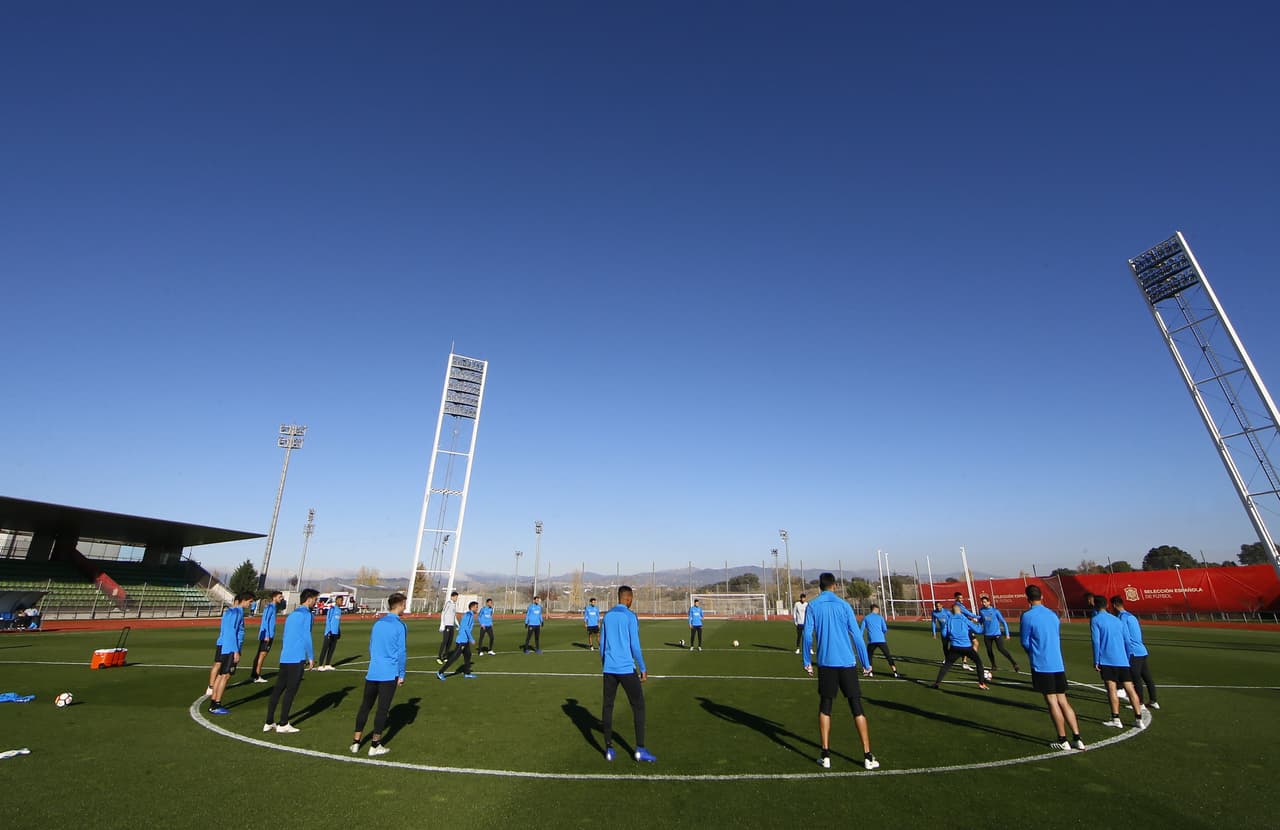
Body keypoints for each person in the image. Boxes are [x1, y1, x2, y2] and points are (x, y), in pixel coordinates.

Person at [802, 572, 878, 770]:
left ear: (819, 587)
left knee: (825, 706)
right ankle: (868, 756)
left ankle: (825, 754)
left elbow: (807, 635)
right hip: (847, 663)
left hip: (826, 663)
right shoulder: (844, 606)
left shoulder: (813, 606)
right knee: (856, 706)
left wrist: (807, 661)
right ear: (834, 586)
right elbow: (858, 636)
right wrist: (866, 663)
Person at [1020, 585, 1085, 751]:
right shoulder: (1053, 615)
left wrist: (1033, 652)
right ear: (1041, 596)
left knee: (1051, 701)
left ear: (1027, 598)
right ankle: (1077, 737)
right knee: (1063, 699)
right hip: (1057, 663)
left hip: (1042, 664)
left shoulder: (1027, 616)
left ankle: (1062, 739)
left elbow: (1025, 641)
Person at [599, 585, 655, 763]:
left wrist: (605, 663)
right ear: (629, 598)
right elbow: (635, 646)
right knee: (638, 706)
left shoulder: (607, 616)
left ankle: (608, 748)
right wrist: (643, 667)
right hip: (625, 669)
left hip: (609, 669)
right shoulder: (630, 616)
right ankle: (640, 749)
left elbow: (602, 645)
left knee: (608, 706)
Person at [351, 593, 408, 756]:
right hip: (388, 674)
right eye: (404, 604)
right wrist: (401, 673)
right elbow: (401, 652)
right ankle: (375, 745)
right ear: (400, 604)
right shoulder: (400, 625)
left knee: (365, 707)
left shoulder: (378, 623)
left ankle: (356, 742)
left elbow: (371, 646)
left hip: (373, 672)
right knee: (382, 710)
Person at [265, 588, 318, 734]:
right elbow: (307, 636)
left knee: (278, 689)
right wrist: (311, 656)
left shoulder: (292, 614)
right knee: (291, 690)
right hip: (297, 657)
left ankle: (269, 721)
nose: (316, 602)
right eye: (315, 599)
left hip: (285, 656)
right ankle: (283, 723)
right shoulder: (307, 614)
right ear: (309, 599)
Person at [1089, 595, 1147, 729]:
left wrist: (1096, 660)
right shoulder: (1117, 620)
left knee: (1111, 689)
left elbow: (1096, 641)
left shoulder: (1096, 620)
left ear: (1095, 606)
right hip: (1122, 659)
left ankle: (1116, 718)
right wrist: (1127, 657)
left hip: (1107, 659)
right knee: (1130, 689)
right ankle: (1138, 718)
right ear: (1107, 605)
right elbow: (1127, 640)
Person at [208, 592, 254, 714]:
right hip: (230, 648)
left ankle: (214, 702)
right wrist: (235, 651)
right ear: (244, 600)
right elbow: (231, 632)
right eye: (250, 601)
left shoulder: (230, 611)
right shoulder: (237, 612)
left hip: (225, 646)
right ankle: (216, 704)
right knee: (225, 675)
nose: (251, 604)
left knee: (221, 674)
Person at [1111, 595, 1159, 710]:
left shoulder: (1122, 617)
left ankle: (1140, 703)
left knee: (1136, 678)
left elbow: (1126, 637)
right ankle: (1153, 700)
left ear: (1114, 606)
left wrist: (1126, 653)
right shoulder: (1131, 616)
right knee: (1147, 677)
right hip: (1141, 650)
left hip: (1133, 651)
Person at [930, 603, 988, 690]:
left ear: (952, 612)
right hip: (967, 647)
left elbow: (944, 634)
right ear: (960, 611)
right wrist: (980, 623)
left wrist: (951, 635)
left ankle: (937, 683)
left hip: (955, 647)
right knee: (979, 663)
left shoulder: (949, 620)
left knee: (947, 665)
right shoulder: (964, 619)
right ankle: (981, 683)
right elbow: (978, 630)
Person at [977, 596, 1020, 673]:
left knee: (1001, 649)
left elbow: (1003, 621)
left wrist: (1007, 634)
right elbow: (981, 620)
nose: (983, 603)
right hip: (987, 635)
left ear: (989, 602)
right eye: (982, 602)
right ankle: (993, 665)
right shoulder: (981, 611)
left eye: (984, 602)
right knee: (989, 651)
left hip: (996, 634)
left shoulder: (995, 611)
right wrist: (978, 624)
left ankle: (1014, 663)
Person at [437, 601, 479, 680]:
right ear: (472, 607)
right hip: (462, 641)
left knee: (468, 655)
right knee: (454, 658)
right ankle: (440, 672)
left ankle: (467, 673)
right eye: (476, 607)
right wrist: (471, 639)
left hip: (465, 641)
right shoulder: (468, 615)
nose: (477, 609)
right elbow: (466, 628)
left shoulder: (470, 615)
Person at [250, 590, 284, 683]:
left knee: (260, 654)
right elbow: (265, 621)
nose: (281, 598)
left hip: (268, 634)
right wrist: (267, 635)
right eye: (280, 597)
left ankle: (254, 674)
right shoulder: (270, 607)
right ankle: (257, 675)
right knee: (262, 654)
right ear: (274, 597)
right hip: (267, 635)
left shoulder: (273, 607)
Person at [858, 603, 898, 678]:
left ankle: (870, 672)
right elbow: (885, 629)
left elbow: (862, 630)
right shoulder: (880, 618)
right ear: (876, 609)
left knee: (869, 656)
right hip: (881, 640)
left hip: (872, 641)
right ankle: (895, 671)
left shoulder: (866, 618)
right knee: (888, 656)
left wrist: (859, 638)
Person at [317, 597, 342, 670]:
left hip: (335, 633)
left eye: (342, 600)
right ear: (336, 601)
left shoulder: (339, 610)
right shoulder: (332, 609)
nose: (341, 602)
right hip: (329, 632)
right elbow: (328, 620)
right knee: (325, 649)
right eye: (340, 600)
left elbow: (337, 622)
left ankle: (328, 664)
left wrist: (339, 631)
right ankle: (320, 665)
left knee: (331, 649)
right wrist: (329, 631)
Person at [437, 590, 459, 664]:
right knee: (445, 641)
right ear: (452, 597)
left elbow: (454, 616)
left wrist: (457, 624)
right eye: (455, 597)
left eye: (457, 597)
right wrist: (442, 624)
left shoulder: (454, 605)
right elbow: (443, 613)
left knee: (449, 642)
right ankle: (439, 657)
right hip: (447, 625)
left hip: (451, 625)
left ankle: (445, 656)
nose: (456, 598)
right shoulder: (448, 603)